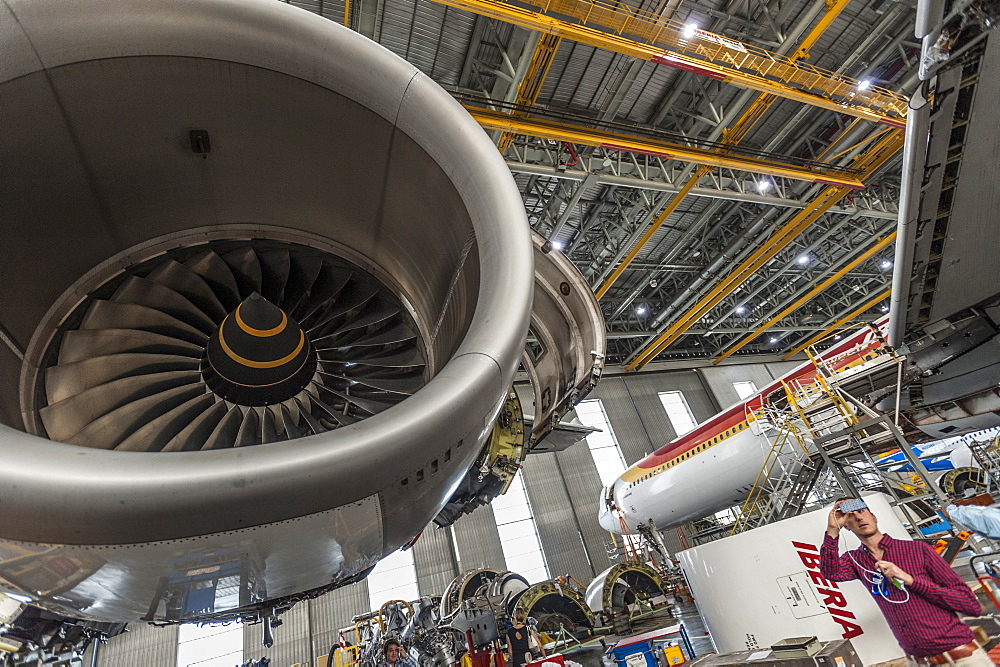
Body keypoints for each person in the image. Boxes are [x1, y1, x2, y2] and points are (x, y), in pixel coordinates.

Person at [821, 498, 988, 666]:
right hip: (918, 661)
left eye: (862, 511)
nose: (858, 518)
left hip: (962, 658)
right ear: (847, 527)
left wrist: (911, 580)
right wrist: (833, 529)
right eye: (850, 516)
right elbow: (831, 572)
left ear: (874, 517)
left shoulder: (917, 550)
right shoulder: (855, 560)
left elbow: (969, 604)